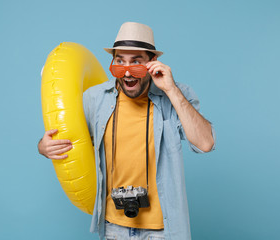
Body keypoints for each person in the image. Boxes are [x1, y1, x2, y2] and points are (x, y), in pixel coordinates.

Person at [38, 22, 216, 240]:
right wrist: (43, 146)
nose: (128, 72)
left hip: (163, 230)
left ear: (153, 63)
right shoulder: (95, 99)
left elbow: (205, 143)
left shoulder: (177, 95)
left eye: (136, 62)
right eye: (119, 62)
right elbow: (67, 136)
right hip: (114, 227)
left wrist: (171, 90)